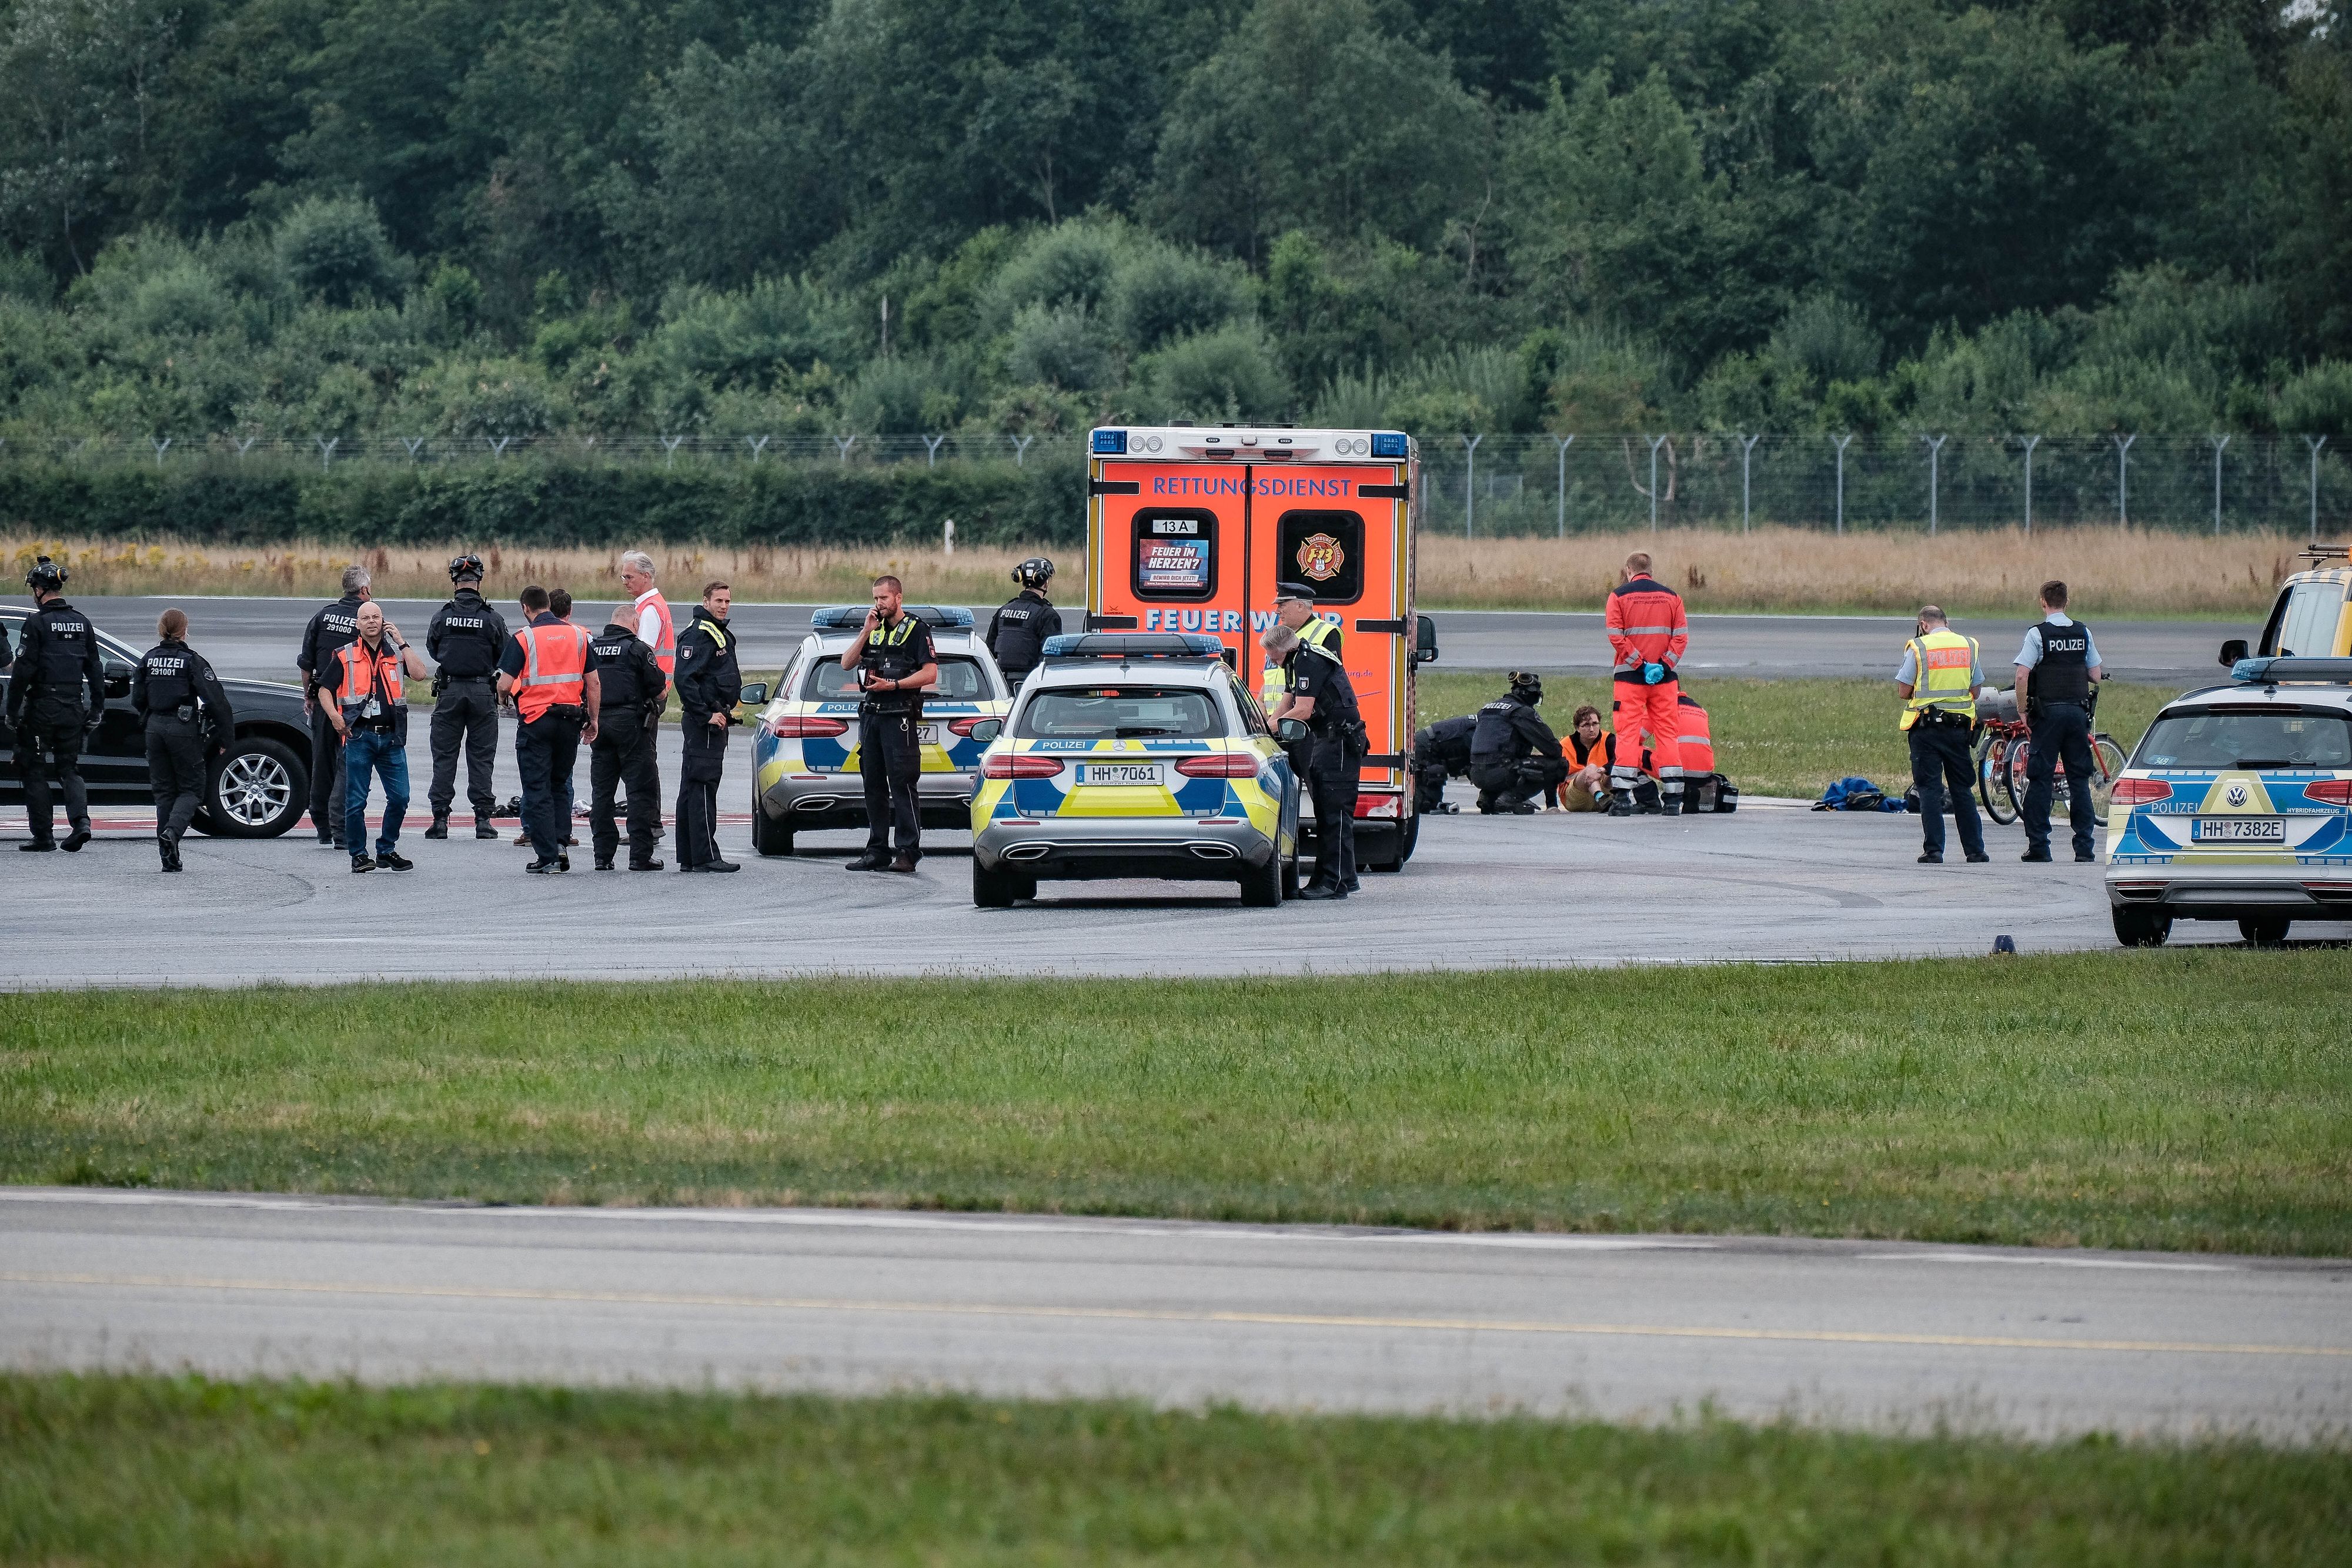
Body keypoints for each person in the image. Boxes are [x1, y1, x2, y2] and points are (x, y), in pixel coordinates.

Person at [1269, 581, 1363, 899]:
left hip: (1338, 740)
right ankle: (1345, 878)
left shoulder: (1314, 650)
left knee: (1333, 812)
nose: (1279, 610)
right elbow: (1289, 697)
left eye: (1283, 605)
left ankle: (1331, 882)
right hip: (1326, 739)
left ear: (1302, 606)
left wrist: (1278, 724)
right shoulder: (1296, 657)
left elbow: (1304, 707)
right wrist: (1269, 724)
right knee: (1328, 810)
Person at [319, 601, 429, 872]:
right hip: (360, 736)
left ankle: (387, 849)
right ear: (357, 624)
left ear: (384, 622)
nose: (371, 621)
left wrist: (401, 641)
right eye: (366, 618)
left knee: (401, 797)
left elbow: (420, 674)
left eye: (376, 617)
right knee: (356, 800)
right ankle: (358, 854)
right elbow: (324, 690)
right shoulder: (345, 655)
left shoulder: (395, 654)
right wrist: (335, 717)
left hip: (391, 738)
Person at [498, 584, 599, 874]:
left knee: (537, 787)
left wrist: (504, 699)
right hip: (570, 720)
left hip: (536, 722)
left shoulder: (524, 637)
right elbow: (593, 682)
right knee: (560, 784)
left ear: (525, 608)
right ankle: (561, 845)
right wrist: (593, 720)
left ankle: (548, 856)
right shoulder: (579, 636)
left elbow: (505, 684)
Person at [839, 574, 936, 874]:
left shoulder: (918, 630)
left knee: (903, 784)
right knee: (873, 786)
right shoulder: (873, 629)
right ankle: (877, 849)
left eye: (883, 598)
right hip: (871, 716)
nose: (879, 604)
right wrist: (865, 631)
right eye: (875, 598)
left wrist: (894, 685)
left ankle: (908, 851)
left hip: (899, 716)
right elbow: (846, 663)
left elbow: (930, 673)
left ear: (898, 597)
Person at [8, 555, 105, 852]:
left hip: (42, 709)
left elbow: (23, 671)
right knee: (69, 769)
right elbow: (96, 668)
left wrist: (12, 712)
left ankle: (44, 837)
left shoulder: (36, 623)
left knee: (34, 769)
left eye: (33, 588)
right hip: (74, 707)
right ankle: (82, 823)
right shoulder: (82, 623)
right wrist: (97, 708)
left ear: (39, 589)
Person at [132, 609, 233, 872]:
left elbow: (137, 699)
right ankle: (173, 833)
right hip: (182, 728)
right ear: (184, 630)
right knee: (192, 789)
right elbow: (216, 700)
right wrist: (225, 736)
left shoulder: (148, 659)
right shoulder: (191, 661)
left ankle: (169, 857)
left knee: (165, 792)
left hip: (154, 728)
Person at [2014, 579, 2106, 864]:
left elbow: (2022, 675)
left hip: (2048, 714)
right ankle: (2084, 848)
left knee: (2040, 778)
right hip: (2078, 715)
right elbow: (2096, 675)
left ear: (2043, 602)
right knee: (2079, 780)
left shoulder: (2037, 635)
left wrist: (2021, 710)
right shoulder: (2083, 631)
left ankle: (2040, 847)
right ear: (2067, 602)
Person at [424, 553, 509, 840]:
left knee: (444, 756)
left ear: (454, 581)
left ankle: (440, 821)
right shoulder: (492, 619)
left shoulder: (442, 616)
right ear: (479, 581)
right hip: (483, 692)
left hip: (450, 692)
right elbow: (504, 655)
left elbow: (433, 650)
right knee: (482, 757)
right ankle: (483, 821)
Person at [1896, 604, 1989, 865]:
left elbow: (1904, 690)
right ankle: (1975, 851)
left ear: (1924, 625)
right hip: (1959, 729)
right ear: (1946, 622)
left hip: (1926, 728)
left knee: (1929, 789)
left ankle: (1934, 850)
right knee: (1962, 790)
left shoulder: (1918, 648)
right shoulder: (1968, 645)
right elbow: (1977, 688)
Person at [1603, 551, 1689, 816]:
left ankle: (1621, 799)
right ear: (1651, 571)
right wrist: (1663, 666)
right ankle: (1673, 800)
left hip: (1630, 679)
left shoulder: (1618, 597)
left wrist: (1640, 665)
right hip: (1665, 682)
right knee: (1667, 734)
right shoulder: (1673, 598)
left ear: (1629, 571)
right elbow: (1681, 638)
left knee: (1628, 734)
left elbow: (1616, 636)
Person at [588, 601, 669, 871]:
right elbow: (659, 689)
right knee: (639, 792)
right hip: (631, 726)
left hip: (598, 724)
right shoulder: (637, 649)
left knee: (602, 793)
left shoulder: (592, 648)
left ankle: (602, 857)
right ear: (634, 624)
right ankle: (640, 856)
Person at [296, 565, 370, 850]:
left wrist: (309, 696)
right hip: (352, 704)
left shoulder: (322, 615)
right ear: (364, 590)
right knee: (347, 765)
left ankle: (323, 827)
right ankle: (342, 830)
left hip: (321, 702)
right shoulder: (367, 617)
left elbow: (306, 663)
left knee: (322, 764)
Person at [672, 580, 743, 872]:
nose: (724, 606)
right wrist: (706, 715)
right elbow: (684, 680)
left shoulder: (715, 631)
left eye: (727, 601)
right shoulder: (699, 635)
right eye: (718, 601)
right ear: (705, 602)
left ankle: (691, 856)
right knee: (702, 786)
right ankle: (705, 856)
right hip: (706, 724)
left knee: (693, 787)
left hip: (713, 720)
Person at [621, 551, 675, 840]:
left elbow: (642, 656)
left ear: (646, 576)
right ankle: (650, 822)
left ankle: (650, 823)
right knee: (644, 758)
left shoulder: (650, 610)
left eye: (629, 576)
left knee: (643, 759)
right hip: (655, 693)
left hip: (648, 696)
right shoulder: (651, 605)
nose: (625, 582)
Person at [1468, 671, 1567, 814]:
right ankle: (1511, 798)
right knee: (1559, 766)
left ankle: (1489, 797)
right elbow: (1553, 749)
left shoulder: (1486, 709)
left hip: (1476, 774)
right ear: (1531, 695)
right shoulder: (1521, 712)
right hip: (1501, 773)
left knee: (1506, 763)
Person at [985, 556, 1063, 689]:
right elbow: (1051, 659)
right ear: (1045, 582)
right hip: (1030, 685)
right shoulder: (1048, 615)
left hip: (1001, 685)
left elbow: (989, 650)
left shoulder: (1004, 610)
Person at [1412, 714, 1476, 814]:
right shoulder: (1476, 732)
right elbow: (1477, 762)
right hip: (1426, 747)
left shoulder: (1477, 726)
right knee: (1427, 803)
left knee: (1433, 800)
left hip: (1431, 745)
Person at [1558, 704, 1614, 811]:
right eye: (1587, 725)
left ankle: (1642, 799)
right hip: (1576, 796)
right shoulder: (1565, 745)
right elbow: (1556, 775)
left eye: (1595, 724)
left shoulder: (1609, 740)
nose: (1592, 729)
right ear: (1578, 728)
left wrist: (1604, 770)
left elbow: (1619, 760)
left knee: (1618, 767)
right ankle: (1600, 797)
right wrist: (1587, 774)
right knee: (1591, 769)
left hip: (1605, 789)